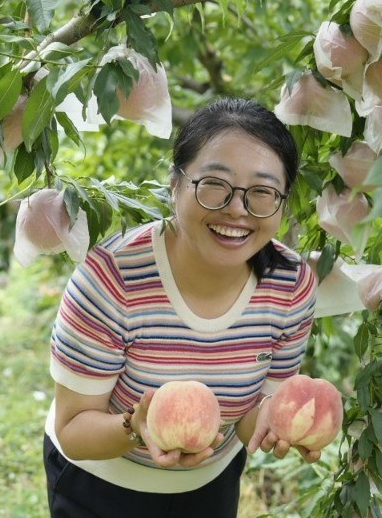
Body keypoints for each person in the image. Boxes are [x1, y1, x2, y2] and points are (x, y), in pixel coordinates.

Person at [43, 98, 320, 517]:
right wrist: (136, 427)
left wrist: (278, 426)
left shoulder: (290, 285)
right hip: (100, 483)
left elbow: (250, 415)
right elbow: (73, 429)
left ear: (282, 202)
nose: (237, 209)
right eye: (214, 184)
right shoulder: (112, 278)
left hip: (210, 483)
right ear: (174, 184)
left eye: (262, 192)